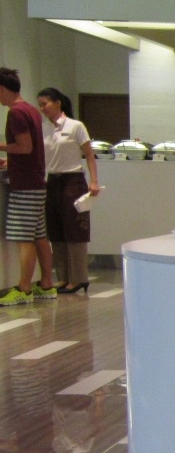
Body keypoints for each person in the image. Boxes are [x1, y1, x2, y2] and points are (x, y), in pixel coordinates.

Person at [0, 67, 56, 305]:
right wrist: (9, 159)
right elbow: (30, 149)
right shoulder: (31, 109)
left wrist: (2, 147)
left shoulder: (16, 112)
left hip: (24, 185)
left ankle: (23, 289)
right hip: (36, 181)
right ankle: (46, 284)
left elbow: (24, 147)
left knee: (24, 238)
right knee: (39, 236)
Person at [37, 88, 100, 294]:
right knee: (56, 229)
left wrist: (94, 181)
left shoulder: (76, 126)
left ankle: (79, 277)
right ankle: (63, 277)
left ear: (58, 103)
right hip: (52, 181)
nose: (42, 108)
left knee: (74, 230)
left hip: (73, 181)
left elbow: (89, 155)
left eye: (45, 104)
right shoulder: (44, 128)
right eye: (40, 105)